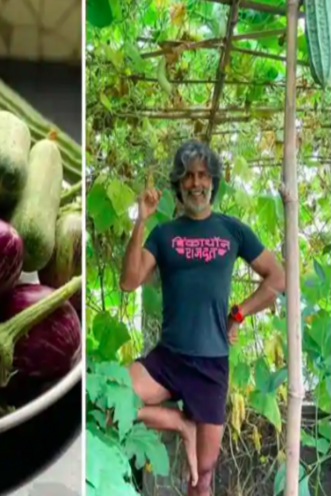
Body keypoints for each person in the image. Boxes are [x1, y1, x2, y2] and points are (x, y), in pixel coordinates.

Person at [119, 140, 285, 495]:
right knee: (107, 401)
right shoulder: (164, 234)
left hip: (211, 366)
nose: (196, 183)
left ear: (213, 181)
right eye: (188, 177)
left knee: (202, 478)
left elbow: (278, 277)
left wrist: (239, 314)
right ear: (179, 185)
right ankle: (180, 423)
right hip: (167, 359)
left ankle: (189, 432)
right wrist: (141, 221)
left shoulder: (232, 230)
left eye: (203, 176)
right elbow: (128, 281)